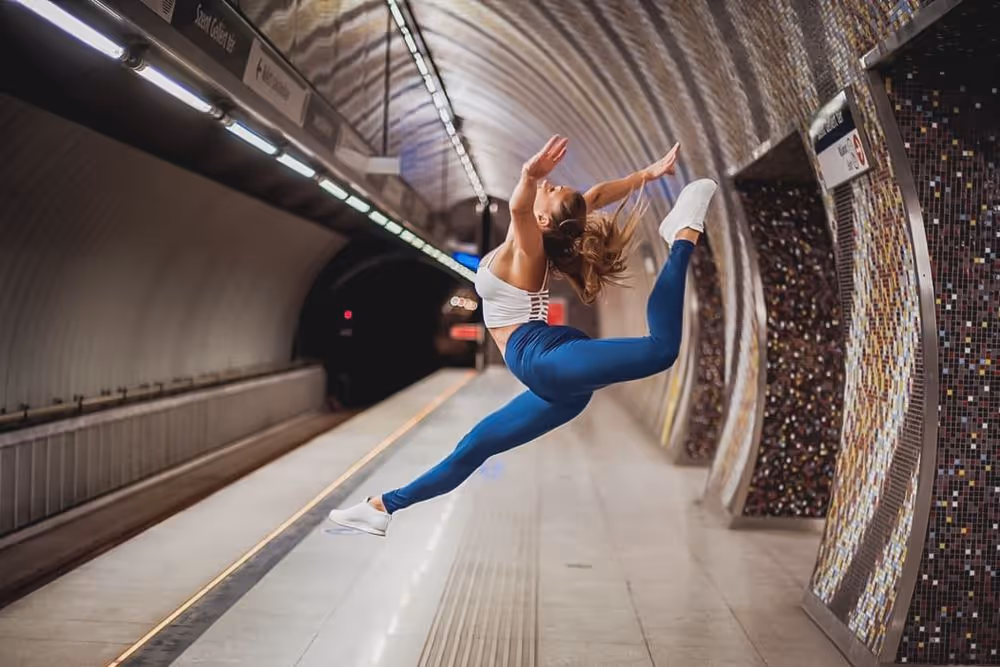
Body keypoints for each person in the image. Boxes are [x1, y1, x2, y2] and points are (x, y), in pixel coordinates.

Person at [328, 136, 717, 536]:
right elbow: (597, 195)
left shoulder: (530, 248)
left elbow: (518, 205)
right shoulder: (537, 243)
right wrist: (648, 173)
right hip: (553, 380)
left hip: (544, 363)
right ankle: (381, 507)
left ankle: (682, 236)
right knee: (474, 447)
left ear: (543, 222)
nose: (551, 186)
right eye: (551, 185)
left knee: (660, 350)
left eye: (553, 191)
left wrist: (530, 175)